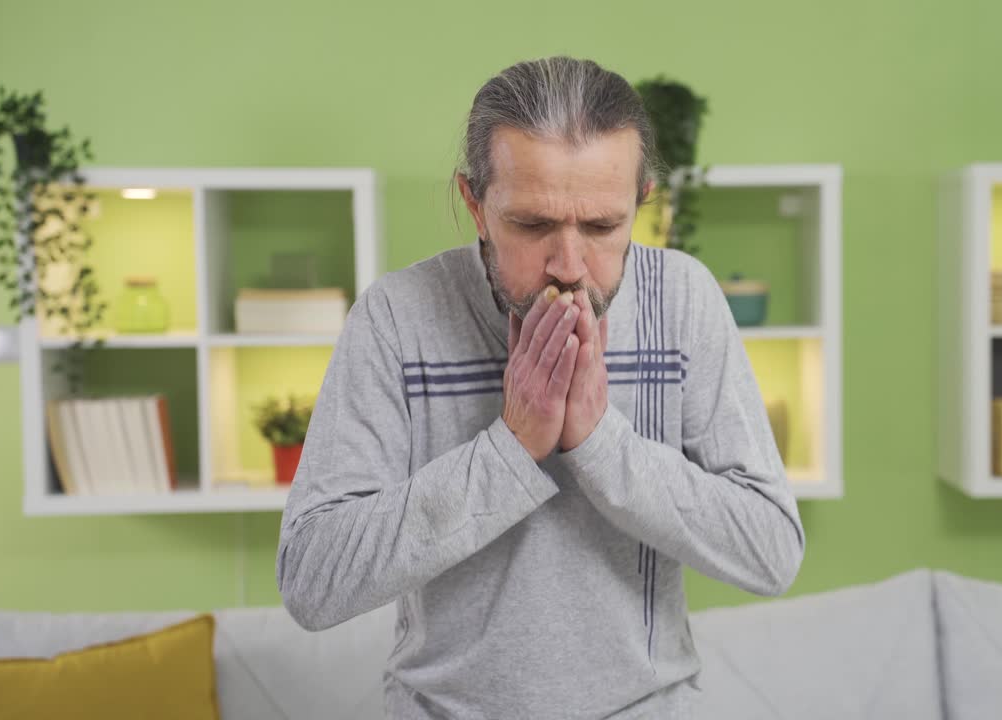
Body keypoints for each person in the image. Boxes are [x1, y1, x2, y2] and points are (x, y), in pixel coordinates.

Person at [276, 55, 805, 719]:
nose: (570, 266)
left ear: (641, 201)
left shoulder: (685, 303)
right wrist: (511, 447)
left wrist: (601, 443)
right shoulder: (395, 317)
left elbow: (770, 552)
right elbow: (312, 580)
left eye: (603, 227)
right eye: (532, 225)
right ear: (475, 204)